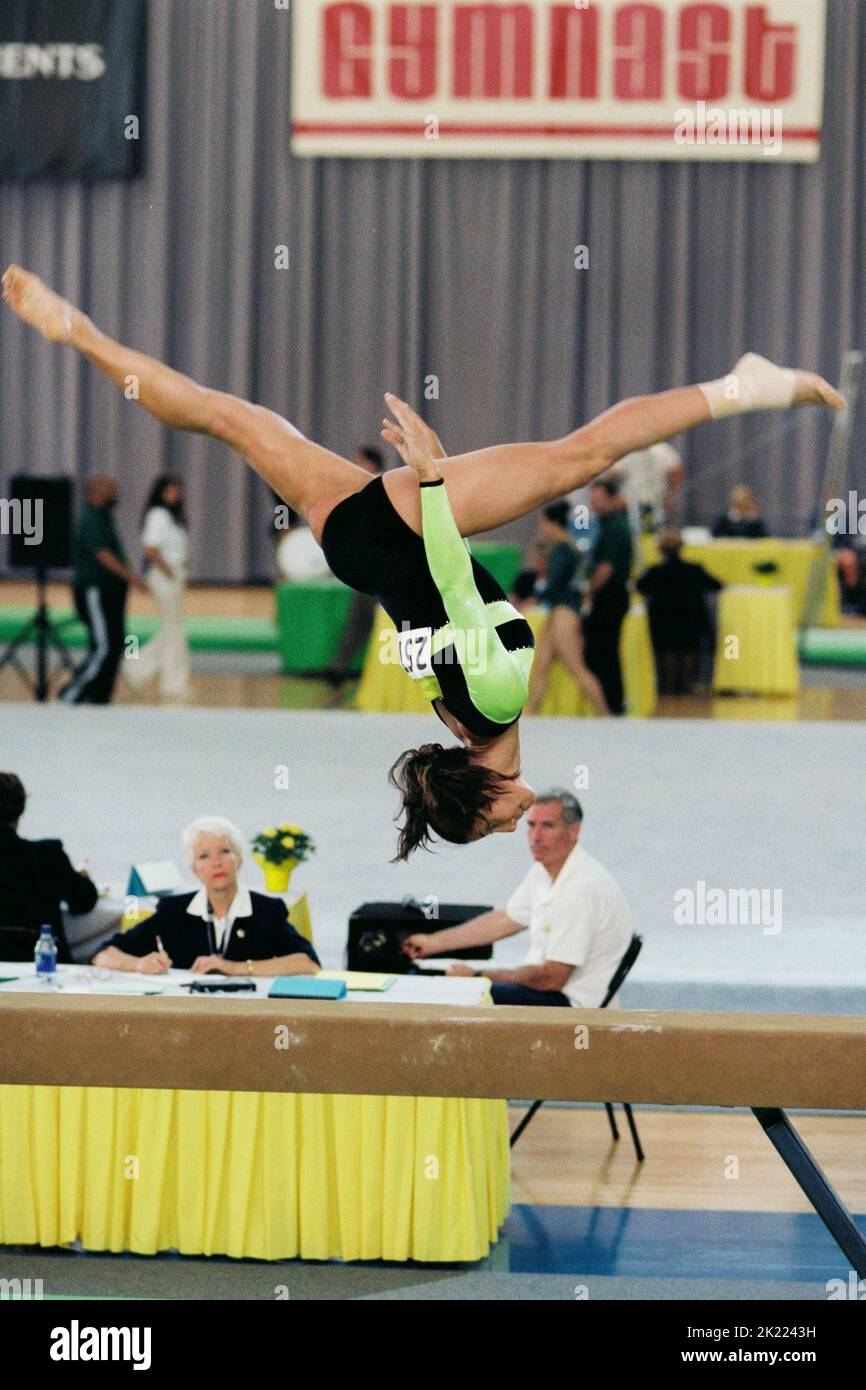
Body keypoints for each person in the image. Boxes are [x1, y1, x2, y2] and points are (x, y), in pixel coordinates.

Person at [2, 266, 843, 853]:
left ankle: (749, 386)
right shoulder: (452, 719)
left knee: (580, 455)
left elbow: (451, 581)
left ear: (484, 792)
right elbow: (434, 615)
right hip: (358, 553)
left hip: (409, 530)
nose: (519, 822)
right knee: (230, 418)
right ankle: (82, 336)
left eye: (497, 824)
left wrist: (433, 482)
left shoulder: (495, 700)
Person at [402, 791, 632, 1007]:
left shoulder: (582, 887)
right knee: (451, 989)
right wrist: (433, 943)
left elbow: (551, 978)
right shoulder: (544, 872)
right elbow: (504, 920)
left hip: (568, 1006)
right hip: (545, 993)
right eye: (531, 825)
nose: (536, 837)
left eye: (548, 826)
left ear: (574, 830)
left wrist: (477, 977)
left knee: (461, 996)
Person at [92, 816, 320, 976]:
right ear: (194, 869)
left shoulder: (266, 910)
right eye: (204, 856)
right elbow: (103, 955)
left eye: (225, 852)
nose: (216, 863)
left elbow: (308, 963)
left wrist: (234, 968)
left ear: (238, 860)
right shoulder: (174, 910)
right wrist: (138, 964)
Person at [60, 475, 148, 704]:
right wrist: (130, 577)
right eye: (110, 491)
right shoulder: (90, 520)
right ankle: (72, 694)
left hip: (110, 591)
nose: (115, 495)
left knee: (118, 643)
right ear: (94, 493)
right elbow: (103, 555)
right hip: (95, 590)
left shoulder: (104, 518)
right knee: (104, 646)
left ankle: (101, 695)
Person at [0, 772, 97, 962]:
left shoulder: (47, 855)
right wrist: (83, 879)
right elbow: (83, 902)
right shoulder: (47, 856)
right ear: (20, 810)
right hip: (42, 961)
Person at [525, 502, 609, 716]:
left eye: (543, 523)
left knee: (576, 668)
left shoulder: (562, 549)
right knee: (541, 667)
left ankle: (604, 714)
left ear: (553, 523)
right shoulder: (568, 547)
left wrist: (532, 599)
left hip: (564, 613)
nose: (541, 528)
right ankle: (530, 714)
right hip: (561, 612)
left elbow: (554, 586)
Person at [125, 474, 191, 700]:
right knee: (174, 629)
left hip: (174, 574)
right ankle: (172, 683)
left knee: (172, 628)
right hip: (165, 576)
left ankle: (137, 668)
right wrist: (168, 571)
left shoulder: (173, 518)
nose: (175, 495)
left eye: (177, 490)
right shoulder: (158, 515)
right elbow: (151, 549)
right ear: (160, 493)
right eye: (170, 490)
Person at [636, 530, 722, 695]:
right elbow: (717, 585)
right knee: (689, 649)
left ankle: (667, 684)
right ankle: (686, 684)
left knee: (666, 650)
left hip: (662, 622)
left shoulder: (654, 572)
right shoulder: (695, 569)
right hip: (691, 622)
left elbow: (640, 586)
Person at [580, 478, 634, 716]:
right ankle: (610, 702)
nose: (592, 502)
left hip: (610, 595)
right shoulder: (605, 523)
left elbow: (606, 568)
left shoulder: (615, 526)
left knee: (605, 650)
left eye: (598, 497)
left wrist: (589, 591)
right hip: (608, 594)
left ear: (612, 498)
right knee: (602, 650)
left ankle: (613, 702)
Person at [615, 441, 685, 536]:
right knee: (631, 537)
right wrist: (617, 499)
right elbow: (612, 475)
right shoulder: (626, 450)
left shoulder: (663, 450)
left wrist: (670, 496)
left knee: (656, 536)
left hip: (656, 503)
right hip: (630, 505)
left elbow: (677, 473)